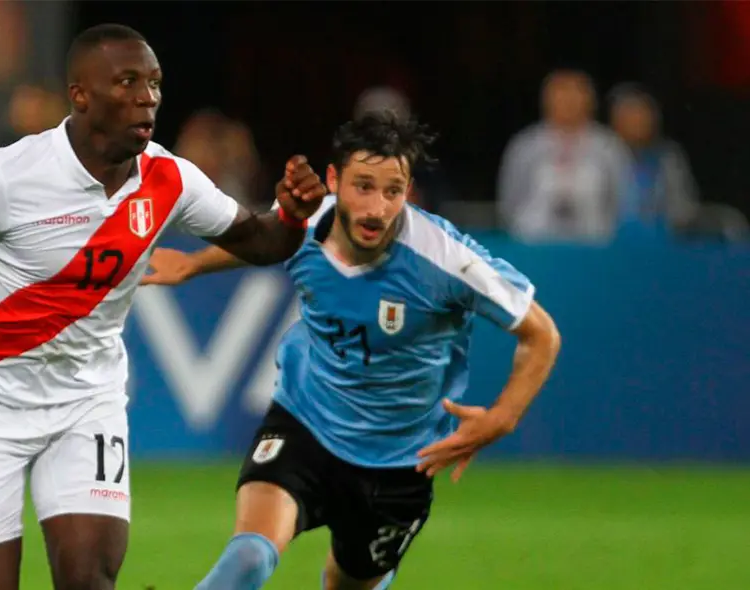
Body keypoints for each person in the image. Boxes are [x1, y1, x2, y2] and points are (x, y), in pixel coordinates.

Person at [0, 23, 326, 590]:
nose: (147, 97)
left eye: (154, 83)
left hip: (86, 400)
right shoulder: (2, 176)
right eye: (127, 82)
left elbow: (260, 241)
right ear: (80, 95)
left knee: (88, 577)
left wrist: (291, 215)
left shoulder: (169, 179)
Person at [141, 112, 562, 589]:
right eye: (363, 186)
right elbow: (263, 241)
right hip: (305, 425)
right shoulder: (303, 225)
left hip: (399, 463)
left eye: (392, 191)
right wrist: (193, 265)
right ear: (334, 180)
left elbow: (541, 334)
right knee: (249, 558)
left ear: (408, 191)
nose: (377, 208)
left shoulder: (447, 260)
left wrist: (503, 417)